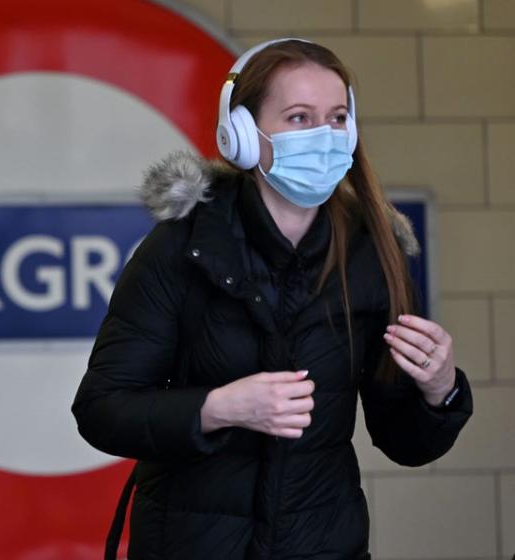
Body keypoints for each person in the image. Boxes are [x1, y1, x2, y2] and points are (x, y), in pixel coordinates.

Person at [71, 38, 473, 559]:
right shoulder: (180, 247)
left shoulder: (374, 252)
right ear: (240, 134)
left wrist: (440, 392)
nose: (323, 136)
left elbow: (405, 443)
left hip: (325, 547)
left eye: (335, 118)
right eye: (299, 117)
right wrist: (219, 408)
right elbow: (102, 409)